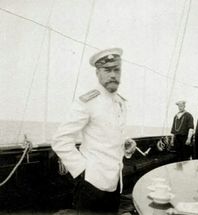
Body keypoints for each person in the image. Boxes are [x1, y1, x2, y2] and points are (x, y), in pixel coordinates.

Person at [51, 48, 136, 214]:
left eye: (116, 70)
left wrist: (126, 144)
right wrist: (82, 171)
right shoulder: (88, 101)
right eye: (107, 70)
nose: (113, 75)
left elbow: (111, 133)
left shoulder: (120, 101)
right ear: (98, 73)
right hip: (91, 184)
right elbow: (60, 139)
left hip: (115, 182)